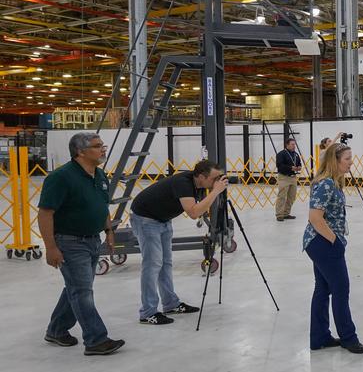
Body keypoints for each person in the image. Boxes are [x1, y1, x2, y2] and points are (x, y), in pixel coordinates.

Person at [38, 132, 125, 356]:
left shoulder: (99, 174)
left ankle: (56, 330)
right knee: (82, 291)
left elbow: (101, 206)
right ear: (80, 152)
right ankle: (96, 339)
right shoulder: (61, 177)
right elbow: (46, 213)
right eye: (98, 146)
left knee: (76, 288)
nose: (103, 149)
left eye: (102, 145)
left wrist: (109, 231)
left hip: (93, 240)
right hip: (69, 241)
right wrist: (50, 247)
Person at [129, 159, 226, 324]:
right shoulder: (184, 183)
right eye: (214, 178)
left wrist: (213, 190)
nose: (217, 182)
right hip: (146, 219)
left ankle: (170, 303)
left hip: (163, 220)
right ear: (201, 176)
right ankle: (147, 312)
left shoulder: (198, 184)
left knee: (165, 263)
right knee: (152, 265)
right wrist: (215, 192)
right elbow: (194, 213)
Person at [304, 140, 363, 353]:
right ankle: (349, 337)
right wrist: (335, 241)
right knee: (341, 289)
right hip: (323, 242)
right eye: (347, 159)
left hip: (322, 241)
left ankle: (319, 337)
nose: (351, 163)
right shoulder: (327, 183)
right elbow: (314, 218)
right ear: (335, 161)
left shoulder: (332, 181)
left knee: (323, 289)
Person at [275, 137, 303, 221]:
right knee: (282, 196)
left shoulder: (296, 154)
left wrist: (299, 167)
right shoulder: (281, 154)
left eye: (294, 144)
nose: (294, 146)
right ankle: (279, 214)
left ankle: (286, 213)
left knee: (292, 196)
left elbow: (299, 163)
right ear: (287, 145)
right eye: (292, 144)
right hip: (284, 177)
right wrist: (291, 168)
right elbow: (280, 166)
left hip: (293, 177)